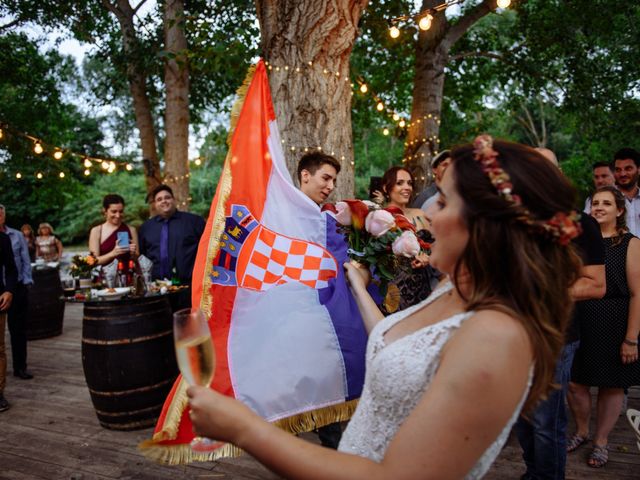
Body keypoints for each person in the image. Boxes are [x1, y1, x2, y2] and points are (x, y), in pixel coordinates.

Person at [186, 136, 583, 479]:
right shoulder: (453, 290)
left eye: (444, 201)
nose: (427, 212)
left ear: (485, 223)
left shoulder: (496, 338)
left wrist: (245, 429)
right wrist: (358, 288)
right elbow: (396, 342)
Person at [514, 146, 606, 480]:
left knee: (545, 422)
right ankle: (532, 473)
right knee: (521, 419)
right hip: (512, 335)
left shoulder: (582, 224)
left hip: (556, 335)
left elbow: (596, 285)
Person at [567, 186, 640, 468]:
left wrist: (631, 338)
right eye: (595, 203)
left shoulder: (630, 244)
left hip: (614, 319)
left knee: (611, 384)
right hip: (578, 318)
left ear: (619, 211)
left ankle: (601, 441)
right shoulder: (579, 240)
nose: (598, 207)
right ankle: (582, 431)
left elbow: (637, 293)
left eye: (606, 203)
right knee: (575, 382)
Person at [297, 151, 346, 449]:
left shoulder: (326, 218)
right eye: (325, 178)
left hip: (321, 312)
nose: (330, 185)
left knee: (326, 377)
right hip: (291, 314)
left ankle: (332, 451)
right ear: (306, 175)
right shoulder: (283, 213)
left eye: (334, 181)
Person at [372, 166, 432, 314]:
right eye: (400, 183)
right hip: (394, 291)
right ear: (386, 188)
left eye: (409, 183)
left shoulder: (421, 215)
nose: (407, 187)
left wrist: (428, 257)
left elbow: (437, 248)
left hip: (423, 287)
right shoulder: (379, 218)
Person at [139, 185, 205, 304]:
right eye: (159, 199)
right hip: (157, 290)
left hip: (188, 288)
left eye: (167, 197)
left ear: (174, 200)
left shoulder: (194, 222)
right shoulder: (146, 228)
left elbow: (207, 250)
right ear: (154, 204)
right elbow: (143, 256)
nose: (164, 201)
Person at [0, 205, 34, 380]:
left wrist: (27, 282)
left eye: (1, 213)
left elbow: (25, 260)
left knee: (18, 330)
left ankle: (20, 367)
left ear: (4, 216)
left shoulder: (16, 235)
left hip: (16, 286)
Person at [88, 194, 139, 266]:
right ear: (105, 211)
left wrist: (133, 254)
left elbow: (137, 259)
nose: (118, 215)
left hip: (128, 274)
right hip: (105, 275)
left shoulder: (131, 230)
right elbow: (93, 261)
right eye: (114, 211)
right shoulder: (96, 231)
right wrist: (113, 253)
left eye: (121, 211)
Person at [0, 230, 18, 412]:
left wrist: (9, 290)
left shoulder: (2, 238)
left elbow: (11, 269)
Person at [613, 148, 640, 236]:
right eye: (618, 170)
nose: (622, 174)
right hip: (616, 249)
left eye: (628, 168)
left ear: (639, 170)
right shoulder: (605, 200)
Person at [420, 150, 452, 214]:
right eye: (445, 165)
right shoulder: (425, 197)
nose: (448, 168)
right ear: (434, 170)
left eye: (451, 165)